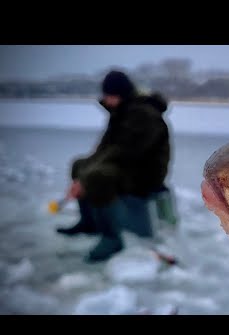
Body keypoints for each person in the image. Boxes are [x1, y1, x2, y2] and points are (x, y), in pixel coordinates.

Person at [56, 70, 175, 263]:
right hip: (127, 166)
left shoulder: (143, 113)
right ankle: (90, 222)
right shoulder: (122, 111)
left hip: (145, 172)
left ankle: (112, 237)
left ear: (120, 94)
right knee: (79, 165)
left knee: (97, 177)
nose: (105, 99)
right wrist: (82, 174)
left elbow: (125, 152)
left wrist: (86, 179)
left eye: (109, 95)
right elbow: (105, 148)